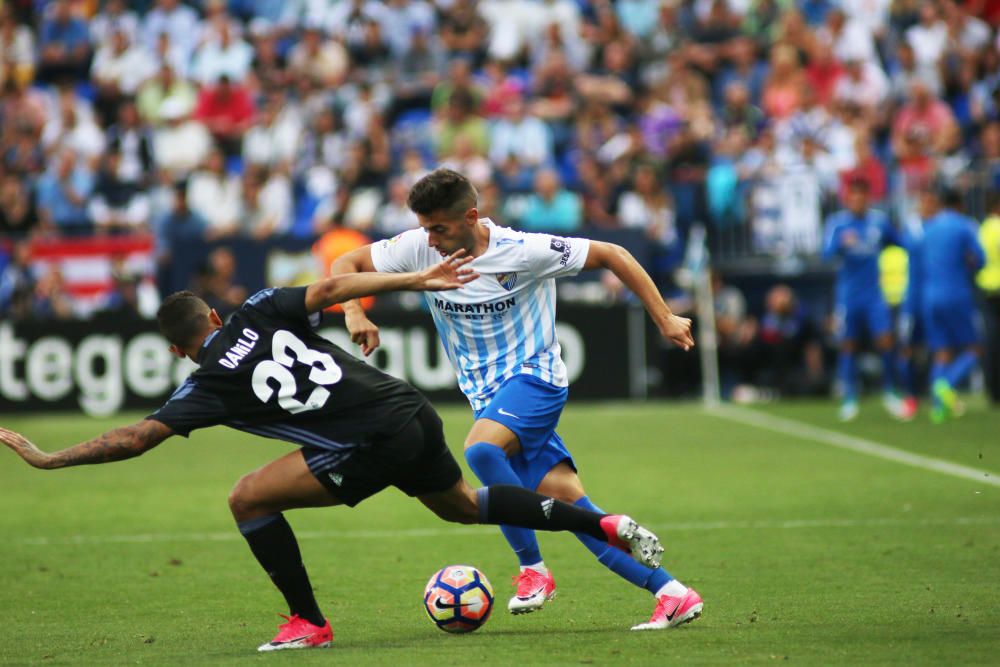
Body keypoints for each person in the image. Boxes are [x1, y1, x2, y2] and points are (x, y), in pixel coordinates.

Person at [0, 252, 664, 651]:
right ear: (212, 317)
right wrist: (415, 281)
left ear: (178, 348)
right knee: (463, 507)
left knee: (246, 496)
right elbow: (327, 291)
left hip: (367, 440)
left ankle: (308, 621)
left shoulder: (205, 384)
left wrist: (48, 456)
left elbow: (136, 438)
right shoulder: (258, 307)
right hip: (410, 408)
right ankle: (600, 520)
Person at [331, 168, 702, 631]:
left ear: (470, 216)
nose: (431, 239)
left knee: (481, 450)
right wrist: (353, 313)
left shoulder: (523, 251)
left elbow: (614, 253)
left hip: (536, 380)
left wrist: (665, 318)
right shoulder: (417, 247)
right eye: (425, 228)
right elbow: (345, 265)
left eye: (439, 228)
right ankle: (672, 593)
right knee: (575, 512)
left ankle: (533, 569)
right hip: (487, 396)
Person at [822, 178, 904, 422]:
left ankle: (890, 392)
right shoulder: (837, 224)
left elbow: (901, 243)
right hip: (848, 296)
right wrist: (840, 244)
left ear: (867, 198)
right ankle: (850, 398)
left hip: (875, 295)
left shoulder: (879, 221)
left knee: (886, 341)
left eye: (861, 196)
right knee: (848, 344)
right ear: (847, 198)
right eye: (852, 196)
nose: (857, 200)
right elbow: (825, 254)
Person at [918, 187, 986, 423]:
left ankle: (939, 410)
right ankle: (945, 384)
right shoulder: (964, 225)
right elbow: (980, 259)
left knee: (942, 352)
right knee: (974, 348)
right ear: (960, 205)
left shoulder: (928, 228)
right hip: (956, 293)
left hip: (929, 296)